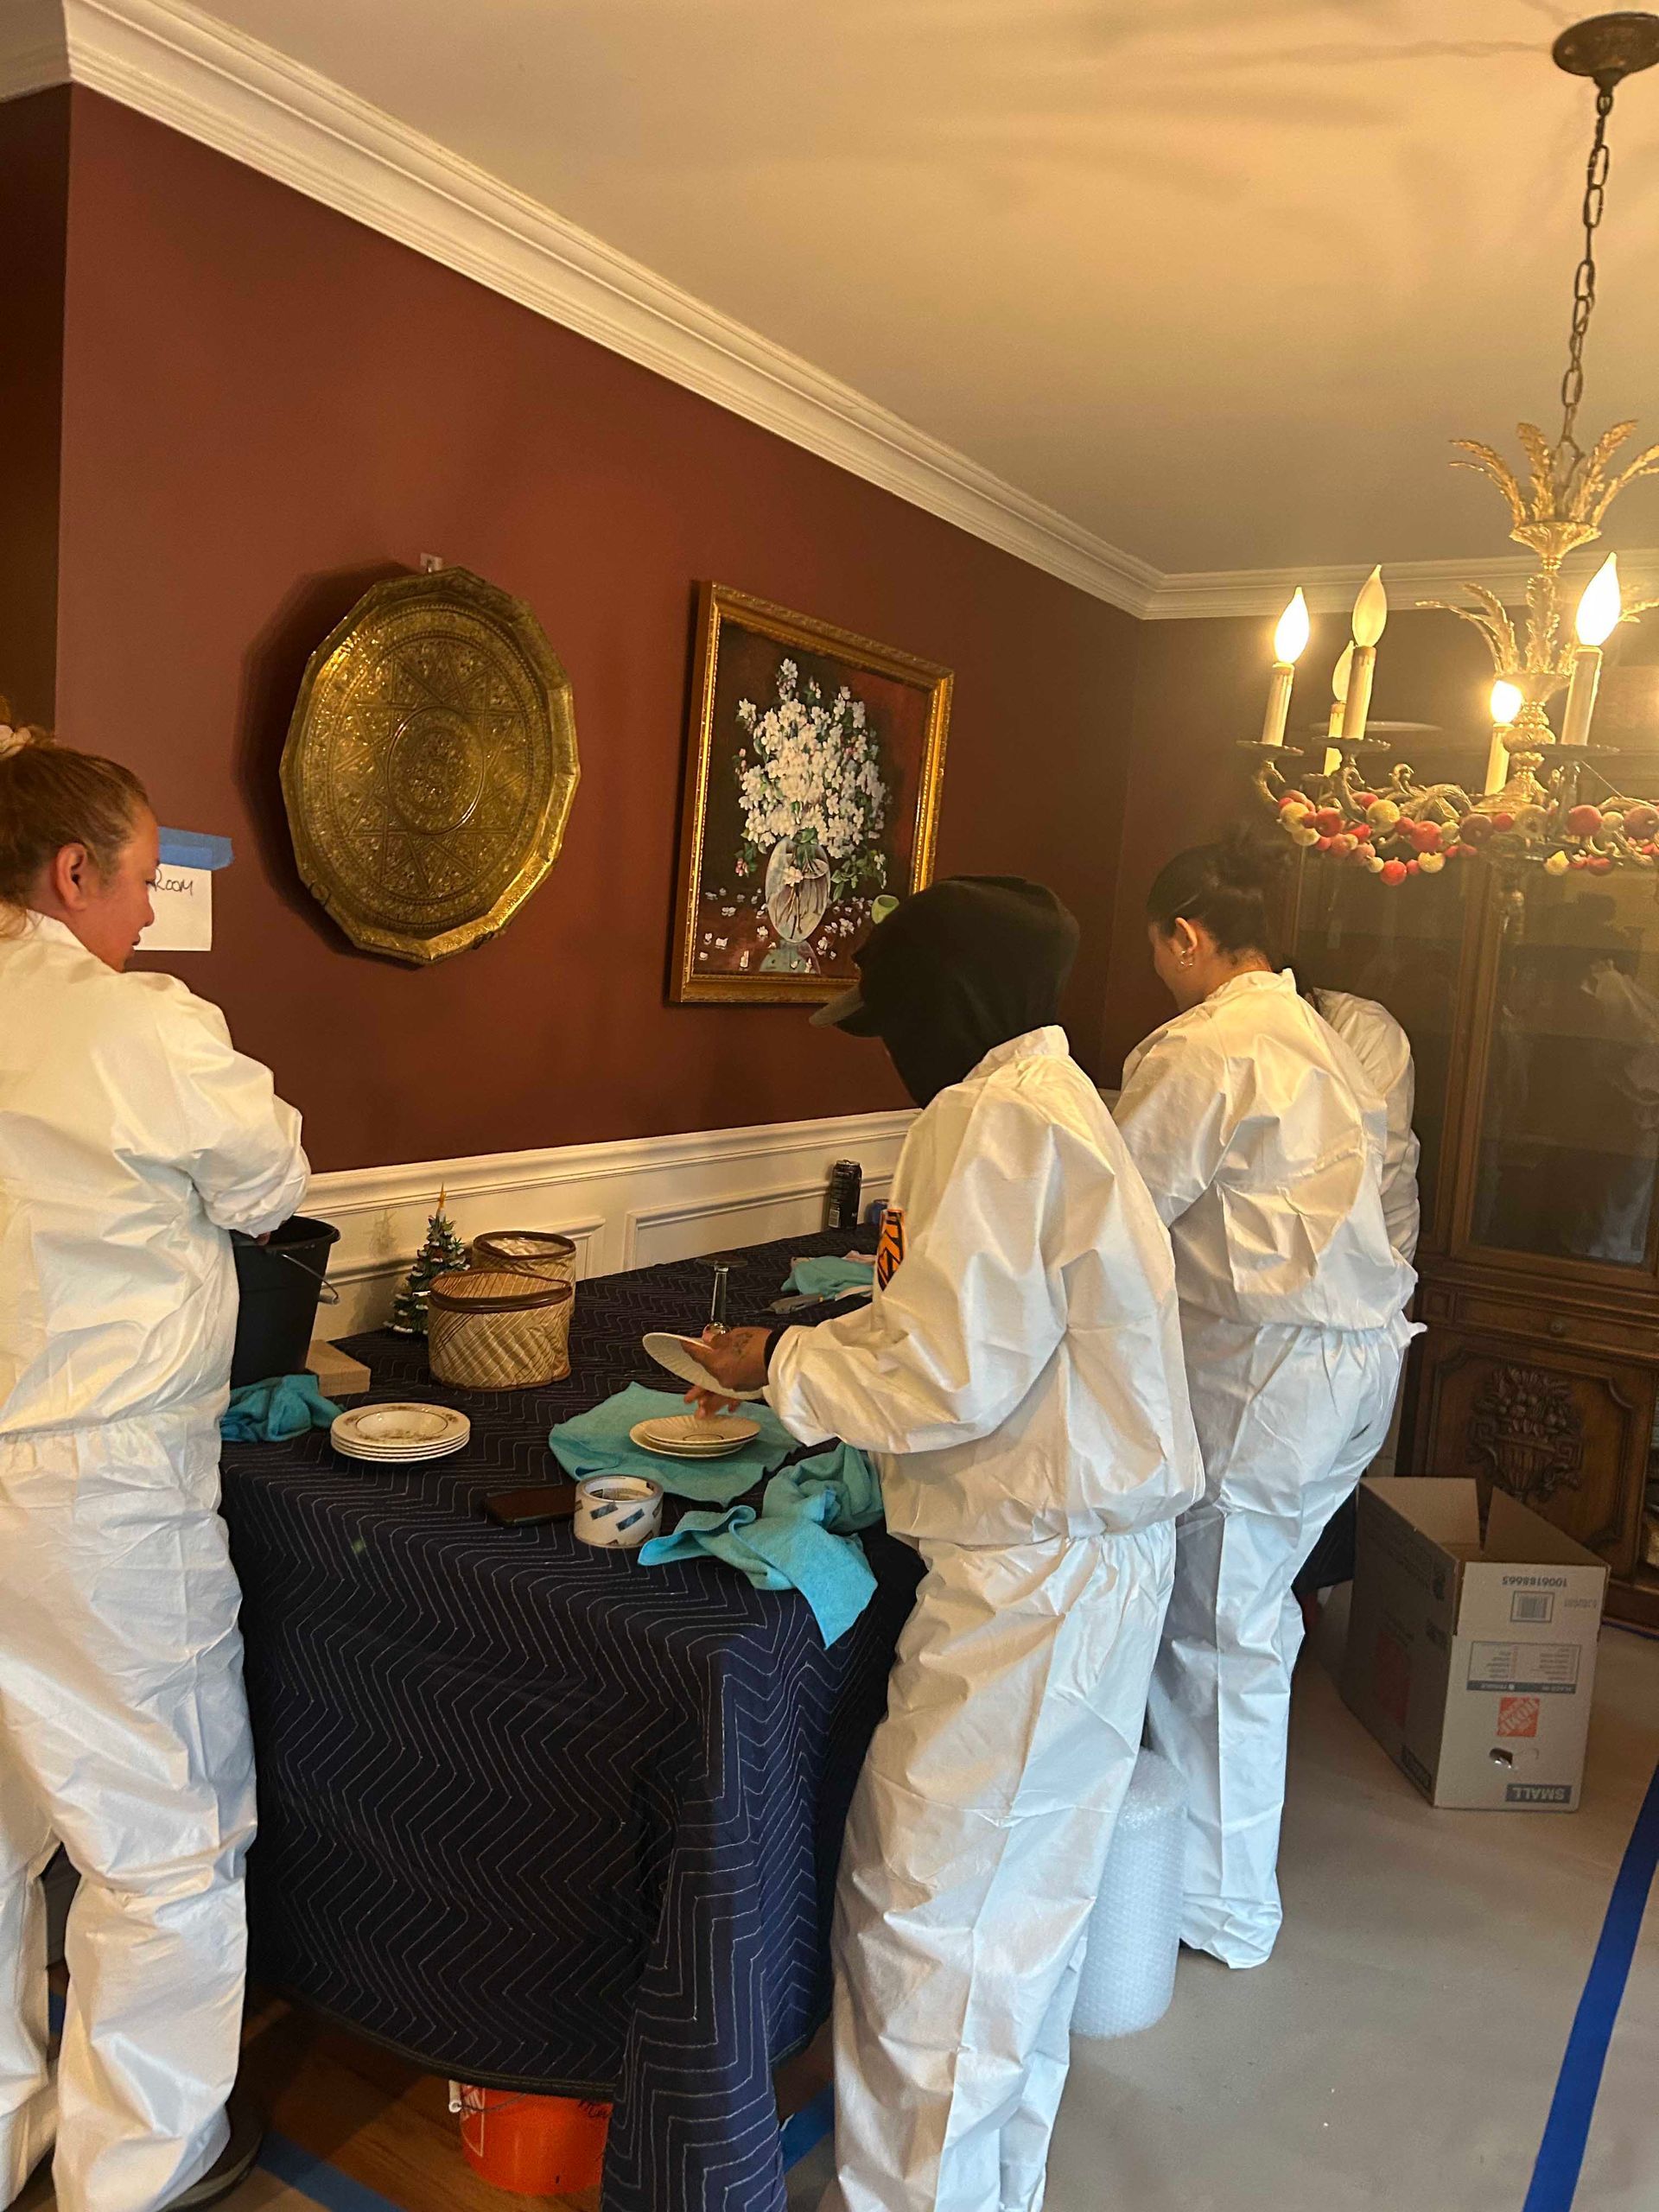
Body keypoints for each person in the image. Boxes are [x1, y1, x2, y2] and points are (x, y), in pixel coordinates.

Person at [690, 877, 1202, 2212]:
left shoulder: (986, 1117)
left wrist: (787, 1363)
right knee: (1009, 1931)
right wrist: (788, 1363)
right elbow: (962, 1327)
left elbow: (946, 1373)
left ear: (947, 1004)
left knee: (930, 1929)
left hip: (1031, 1581)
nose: (892, 1054)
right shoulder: (1057, 1102)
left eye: (896, 1020)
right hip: (1077, 1570)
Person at [0, 727, 308, 2212]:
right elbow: (274, 1176)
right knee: (163, 1835)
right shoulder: (138, 1026)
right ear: (73, 872)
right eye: (135, 882)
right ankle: (132, 2176)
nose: (140, 917)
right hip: (93, 1485)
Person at [1113, 836, 1414, 1971]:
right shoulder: (1322, 1039)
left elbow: (1119, 1214)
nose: (1157, 970)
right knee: (1254, 1616)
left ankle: (1217, 1907)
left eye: (1156, 948)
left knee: (1215, 1634)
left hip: (1270, 1375)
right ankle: (1205, 1881)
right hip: (1357, 1360)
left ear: (1186, 936)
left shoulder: (1204, 1046)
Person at [1292, 976, 1421, 1605]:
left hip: (1364, 1283)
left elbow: (1375, 1170)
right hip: (1311, 1293)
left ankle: (1309, 1597)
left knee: (1322, 1465)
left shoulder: (1365, 1032)